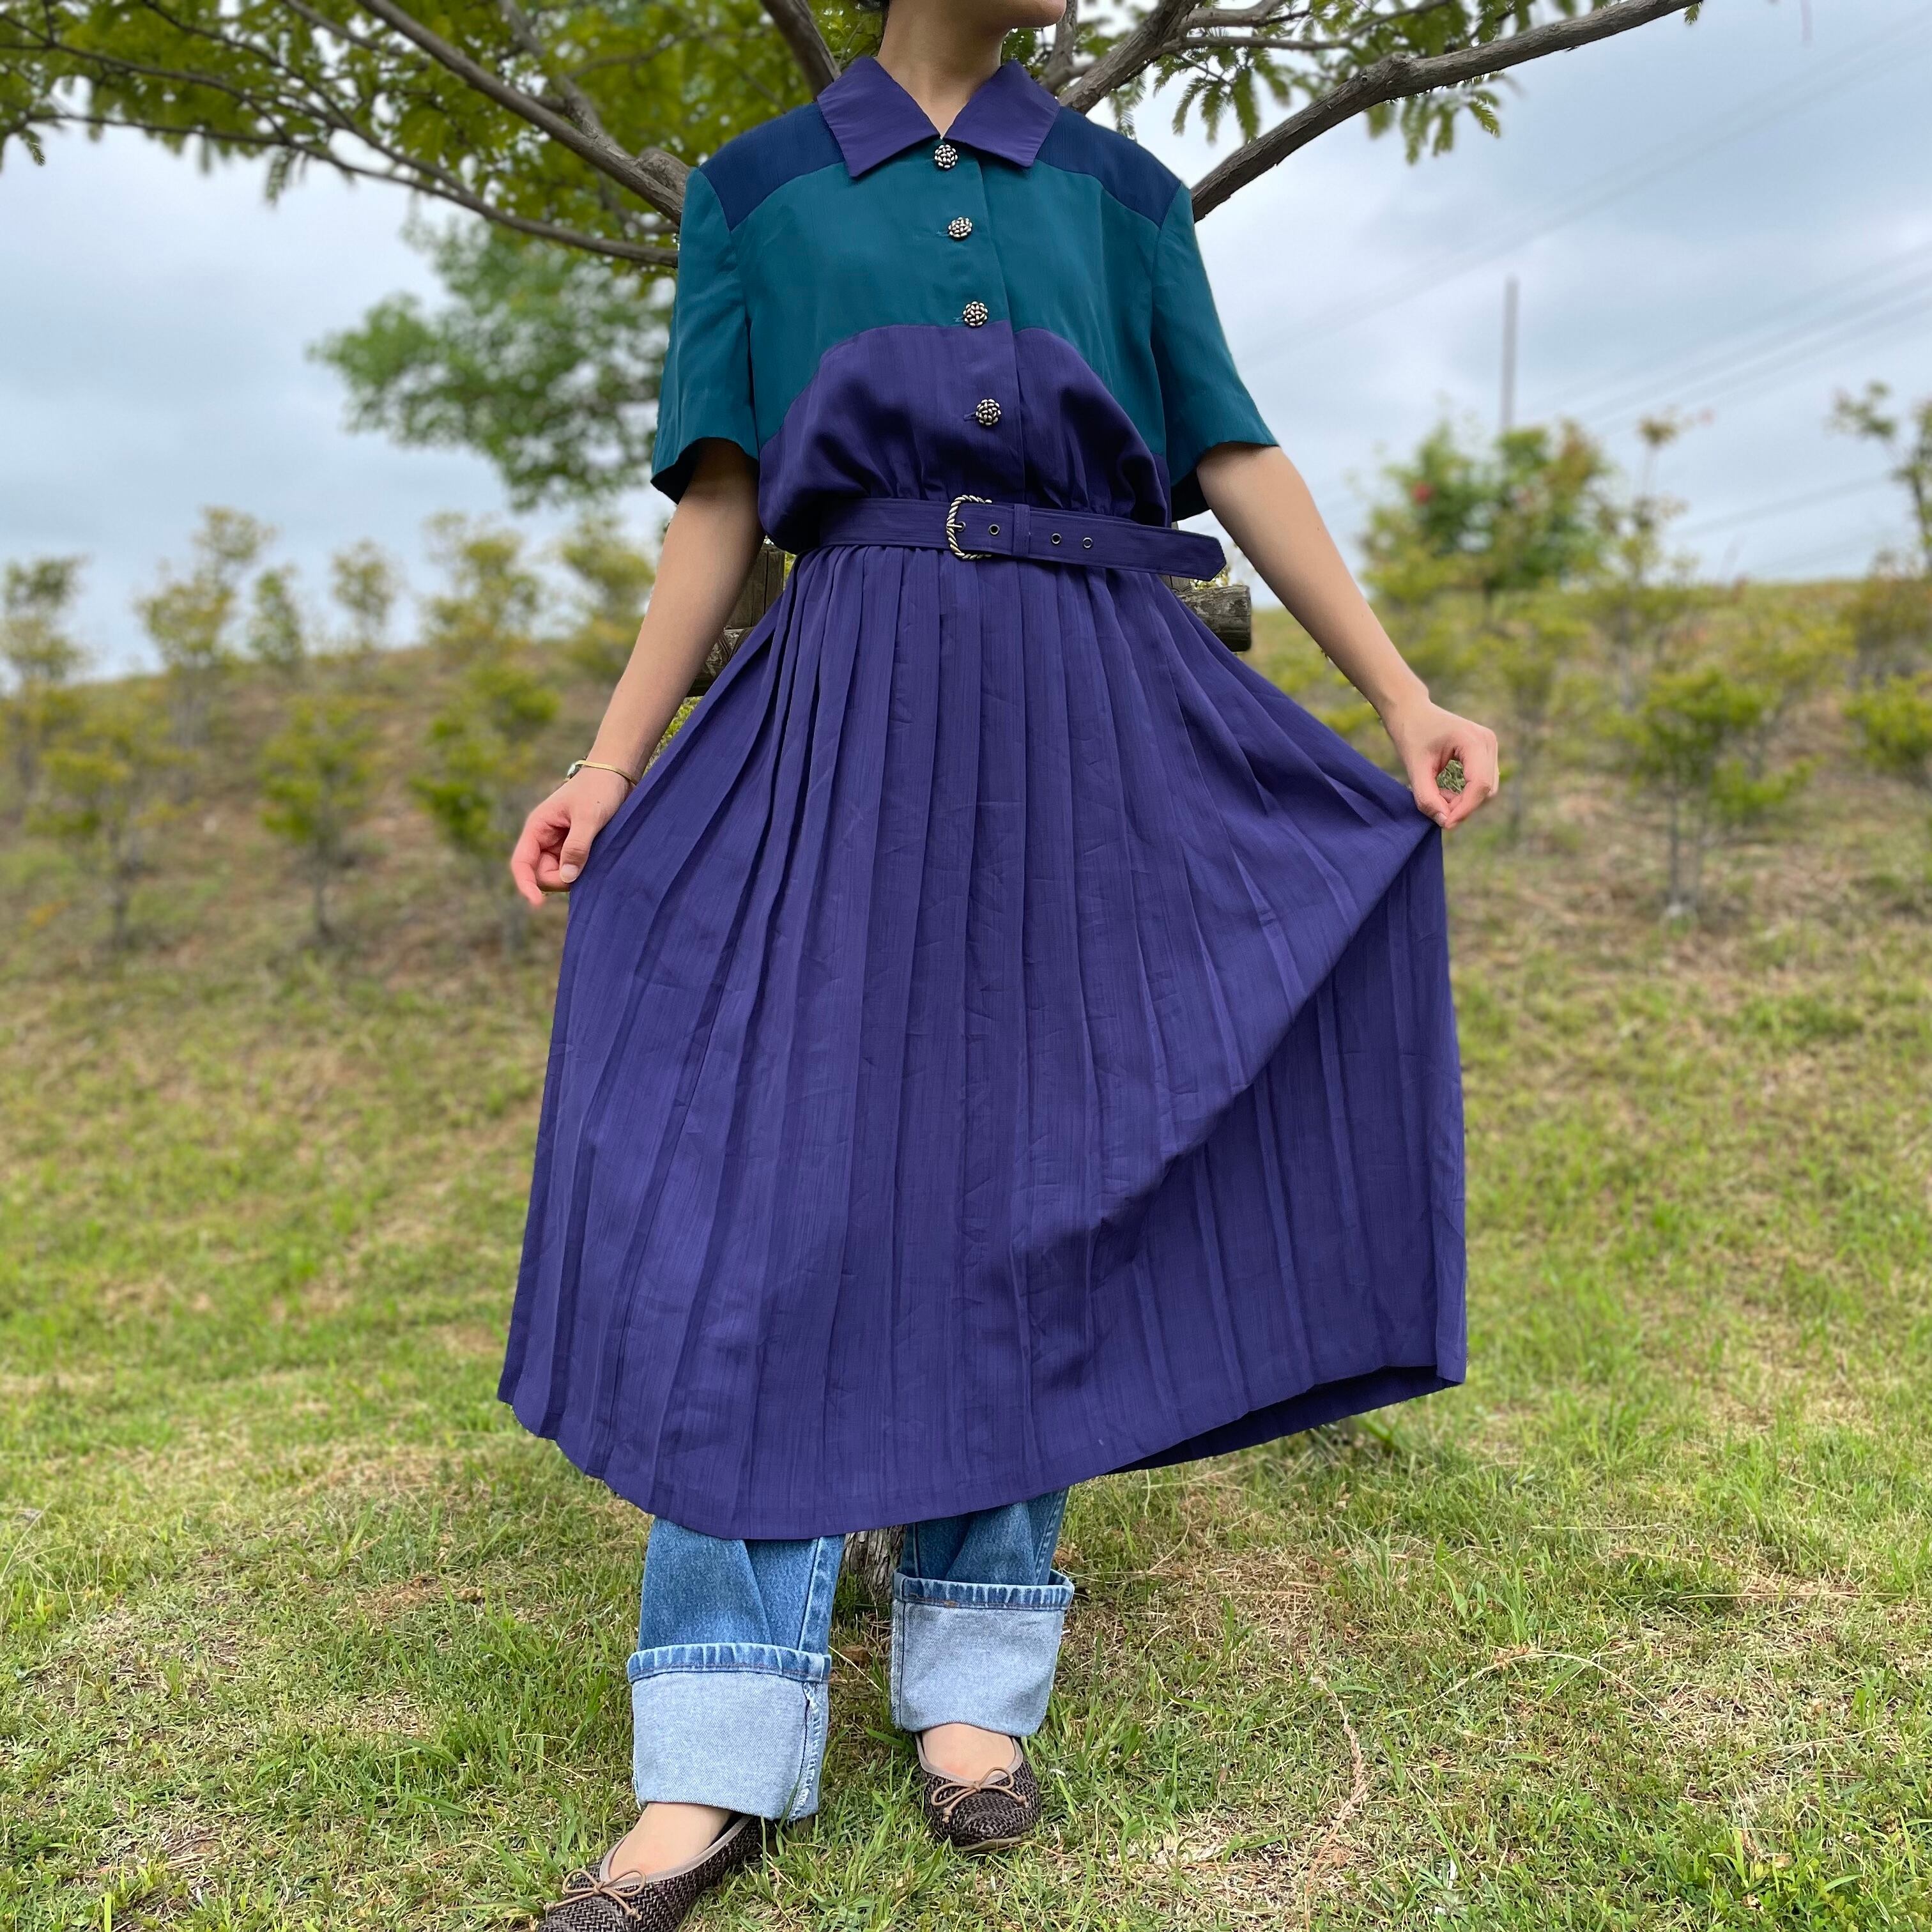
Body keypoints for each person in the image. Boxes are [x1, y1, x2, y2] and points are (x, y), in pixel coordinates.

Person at [503, 1, 1498, 1922]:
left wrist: (1402, 693)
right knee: (769, 1184)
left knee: (1038, 1168)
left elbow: (1231, 447)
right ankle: (715, 1738)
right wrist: (613, 763)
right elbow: (723, 501)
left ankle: (974, 1676)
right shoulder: (758, 191)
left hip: (1092, 713)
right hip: (846, 702)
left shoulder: (1124, 194)